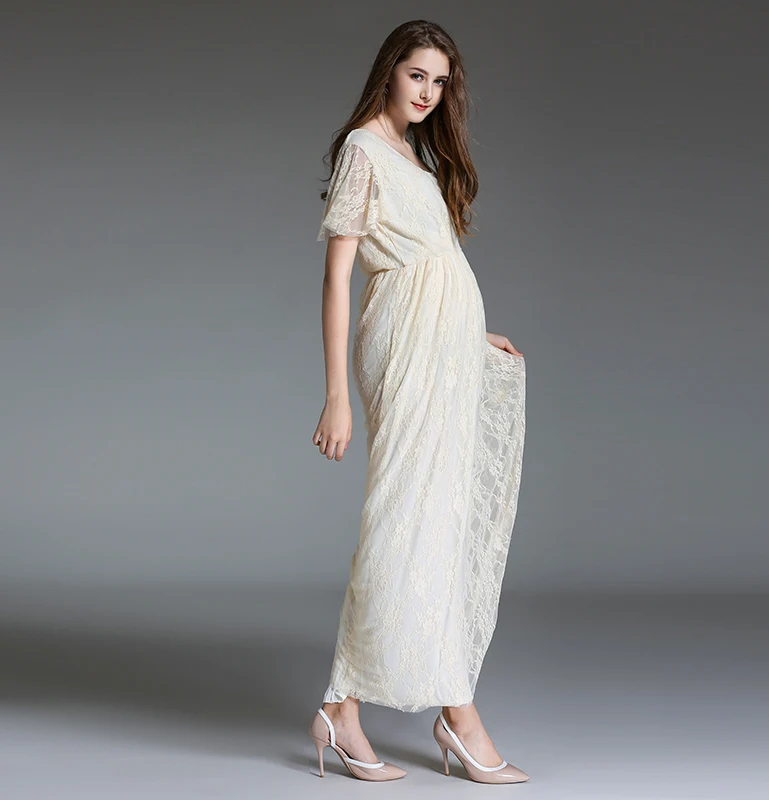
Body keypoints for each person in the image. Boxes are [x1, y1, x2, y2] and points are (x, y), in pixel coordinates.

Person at [308, 20, 528, 784]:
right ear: (389, 72)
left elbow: (434, 263)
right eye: (417, 76)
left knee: (439, 519)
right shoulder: (363, 151)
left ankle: (379, 709)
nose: (429, 93)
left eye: (440, 81)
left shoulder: (415, 157)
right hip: (401, 350)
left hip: (444, 348)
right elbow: (339, 277)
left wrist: (472, 334)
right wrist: (336, 395)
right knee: (402, 516)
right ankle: (414, 711)